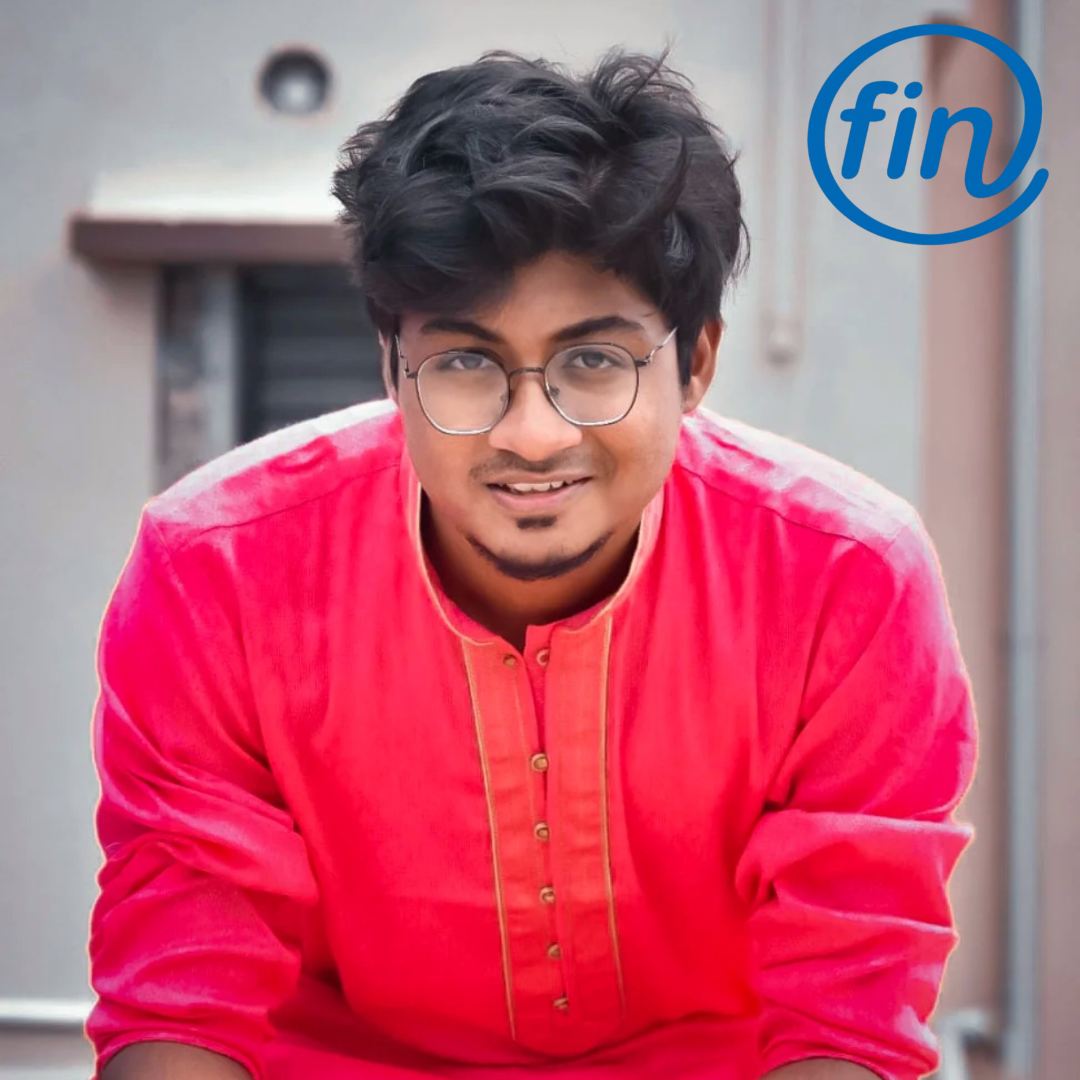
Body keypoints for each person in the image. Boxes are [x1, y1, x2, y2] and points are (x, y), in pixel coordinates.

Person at [87, 49, 976, 1080]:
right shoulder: (215, 572)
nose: (533, 435)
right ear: (392, 369)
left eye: (594, 360)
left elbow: (848, 1010)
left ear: (695, 362)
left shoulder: (847, 580)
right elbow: (183, 986)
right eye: (465, 362)